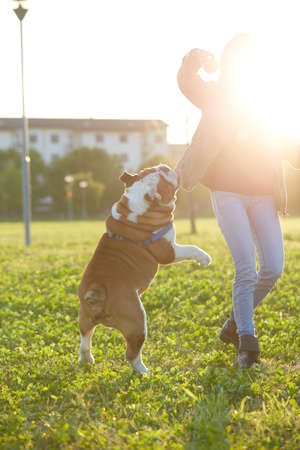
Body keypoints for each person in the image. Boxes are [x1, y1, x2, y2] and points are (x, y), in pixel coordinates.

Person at [176, 33, 300, 368]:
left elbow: (288, 145)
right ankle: (247, 339)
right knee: (246, 268)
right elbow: (187, 81)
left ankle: (233, 322)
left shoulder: (268, 101)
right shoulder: (216, 95)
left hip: (262, 195)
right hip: (227, 192)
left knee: (273, 268)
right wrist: (197, 56)